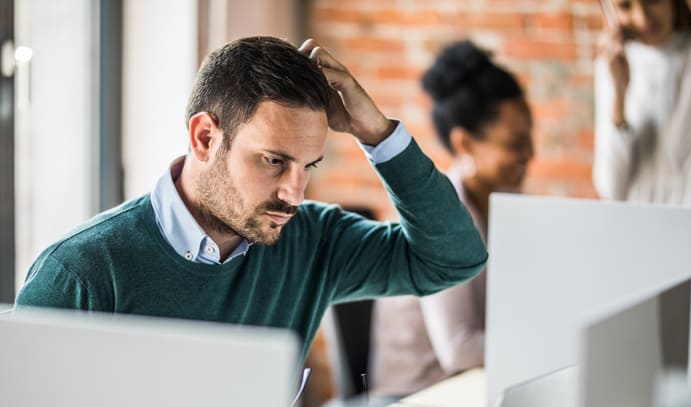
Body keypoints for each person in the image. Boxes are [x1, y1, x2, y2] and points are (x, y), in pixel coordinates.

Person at [14, 36, 488, 360]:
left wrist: (378, 134)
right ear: (204, 138)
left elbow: (454, 260)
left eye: (309, 167)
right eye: (274, 161)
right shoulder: (80, 274)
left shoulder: (312, 240)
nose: (295, 194)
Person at [370, 41, 533, 398]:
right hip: (414, 392)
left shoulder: (509, 203)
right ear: (465, 144)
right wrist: (545, 341)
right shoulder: (441, 216)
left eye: (530, 138)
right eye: (514, 143)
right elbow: (458, 348)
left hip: (474, 386)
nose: (529, 153)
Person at [593, 0, 691, 207]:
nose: (642, 18)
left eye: (652, 0)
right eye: (625, 6)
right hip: (642, 227)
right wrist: (619, 94)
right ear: (609, 11)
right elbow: (610, 189)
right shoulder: (612, 67)